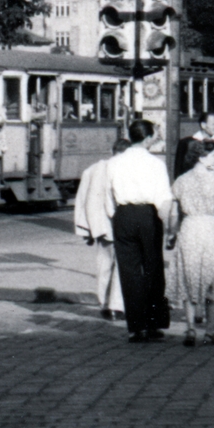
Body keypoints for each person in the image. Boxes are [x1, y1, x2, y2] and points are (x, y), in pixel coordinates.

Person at [103, 119, 174, 342]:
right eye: (153, 135)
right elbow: (164, 199)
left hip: (123, 215)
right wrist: (170, 228)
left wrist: (116, 215)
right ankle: (153, 323)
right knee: (153, 268)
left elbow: (107, 194)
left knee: (129, 271)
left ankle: (136, 326)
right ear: (147, 138)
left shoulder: (114, 163)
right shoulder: (156, 164)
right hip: (148, 216)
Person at [166, 139, 214, 346]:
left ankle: (189, 329)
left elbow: (173, 213)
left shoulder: (181, 181)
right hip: (209, 230)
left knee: (189, 278)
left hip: (189, 229)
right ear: (203, 157)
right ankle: (210, 331)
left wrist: (171, 234)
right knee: (212, 279)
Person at [74, 137, 128, 320]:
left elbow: (83, 198)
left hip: (100, 226)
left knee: (104, 264)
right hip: (118, 224)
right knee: (121, 267)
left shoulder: (94, 169)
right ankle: (116, 306)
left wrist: (86, 229)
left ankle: (103, 302)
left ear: (112, 151)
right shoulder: (123, 168)